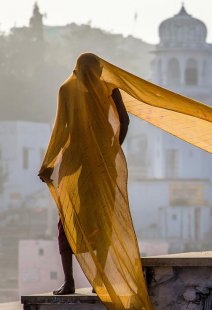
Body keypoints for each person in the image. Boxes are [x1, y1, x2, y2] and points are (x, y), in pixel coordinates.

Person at [38, 54, 130, 295]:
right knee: (100, 220)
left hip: (76, 162)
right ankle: (97, 281)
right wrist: (111, 150)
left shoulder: (67, 89)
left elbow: (62, 130)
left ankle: (70, 282)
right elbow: (125, 121)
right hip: (99, 163)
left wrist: (49, 163)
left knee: (69, 220)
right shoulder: (108, 88)